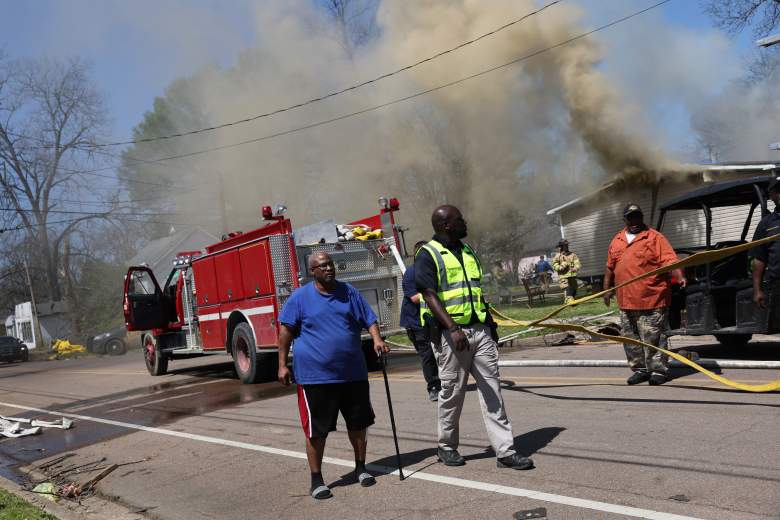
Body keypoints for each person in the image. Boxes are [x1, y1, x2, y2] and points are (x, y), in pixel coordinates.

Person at [415, 204, 534, 471]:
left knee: (493, 390)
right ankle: (446, 446)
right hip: (452, 335)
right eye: (460, 219)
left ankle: (505, 451)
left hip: (480, 331)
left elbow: (475, 293)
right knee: (452, 393)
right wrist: (453, 328)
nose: (465, 222)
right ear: (446, 225)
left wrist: (490, 326)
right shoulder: (428, 254)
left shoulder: (468, 251)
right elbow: (429, 295)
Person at [277, 251, 389, 500]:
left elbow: (368, 318)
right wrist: (282, 364)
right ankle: (316, 480)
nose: (329, 268)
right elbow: (285, 333)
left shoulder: (348, 291)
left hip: (353, 373)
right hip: (315, 377)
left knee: (359, 424)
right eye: (323, 265)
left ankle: (361, 467)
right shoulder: (300, 298)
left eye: (331, 264)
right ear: (312, 271)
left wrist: (377, 339)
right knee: (317, 432)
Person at [603, 204, 686, 386]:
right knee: (630, 339)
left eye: (637, 217)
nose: (634, 221)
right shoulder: (617, 240)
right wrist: (607, 290)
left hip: (652, 299)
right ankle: (640, 370)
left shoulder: (654, 237)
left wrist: (680, 277)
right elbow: (610, 268)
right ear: (625, 220)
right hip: (626, 302)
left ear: (642, 217)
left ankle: (658, 371)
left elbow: (670, 260)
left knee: (653, 337)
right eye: (630, 218)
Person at [401, 240, 441, 402]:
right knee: (427, 354)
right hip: (415, 323)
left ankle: (445, 382)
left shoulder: (431, 270)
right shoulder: (411, 273)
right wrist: (435, 294)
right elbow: (415, 298)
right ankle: (433, 386)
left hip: (430, 319)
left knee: (440, 351)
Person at [750, 177, 780, 332]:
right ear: (772, 195)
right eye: (778, 191)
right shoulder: (766, 224)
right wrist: (757, 289)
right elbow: (758, 259)